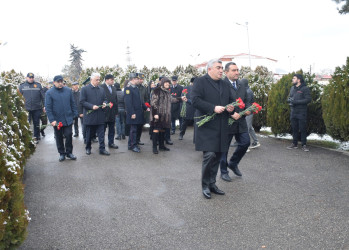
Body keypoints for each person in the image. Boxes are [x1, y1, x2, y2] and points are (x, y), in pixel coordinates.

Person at [191, 59, 235, 199]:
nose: (221, 70)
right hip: (207, 126)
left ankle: (212, 184)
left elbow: (229, 100)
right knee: (209, 155)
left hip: (221, 125)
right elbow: (195, 100)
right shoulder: (200, 81)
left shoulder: (224, 84)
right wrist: (212, 108)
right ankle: (205, 185)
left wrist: (230, 107)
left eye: (222, 68)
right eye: (218, 68)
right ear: (209, 69)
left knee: (217, 155)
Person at [220, 62, 251, 182]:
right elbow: (221, 102)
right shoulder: (222, 84)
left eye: (237, 70)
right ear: (226, 72)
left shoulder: (241, 84)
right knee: (224, 148)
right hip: (227, 121)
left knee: (245, 142)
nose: (237, 72)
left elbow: (247, 100)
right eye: (234, 70)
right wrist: (232, 114)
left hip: (240, 121)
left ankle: (233, 163)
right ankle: (223, 171)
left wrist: (248, 109)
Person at [45, 75, 78, 162]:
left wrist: (75, 114)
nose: (60, 83)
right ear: (54, 83)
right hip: (57, 120)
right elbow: (48, 108)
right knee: (59, 137)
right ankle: (62, 153)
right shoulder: (49, 93)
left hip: (68, 118)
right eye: (58, 82)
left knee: (69, 135)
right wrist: (52, 120)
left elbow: (72, 103)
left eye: (61, 81)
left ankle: (69, 152)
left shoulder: (68, 90)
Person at [80, 72, 110, 156]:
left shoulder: (101, 89)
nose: (98, 81)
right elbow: (82, 101)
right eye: (96, 80)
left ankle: (102, 149)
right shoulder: (85, 89)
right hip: (90, 116)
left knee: (101, 134)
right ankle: (88, 148)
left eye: (99, 80)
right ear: (91, 80)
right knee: (89, 134)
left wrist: (105, 103)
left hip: (100, 115)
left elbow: (105, 99)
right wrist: (91, 106)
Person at [150, 77, 181, 154]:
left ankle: (161, 146)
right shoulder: (157, 90)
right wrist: (155, 114)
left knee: (163, 130)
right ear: (162, 83)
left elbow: (172, 100)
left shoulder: (167, 92)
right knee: (156, 130)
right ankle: (154, 147)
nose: (168, 84)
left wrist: (181, 99)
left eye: (168, 83)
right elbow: (153, 103)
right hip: (157, 115)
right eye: (166, 82)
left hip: (165, 115)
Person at [124, 73, 149, 153]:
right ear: (133, 79)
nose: (139, 80)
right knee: (133, 130)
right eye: (137, 79)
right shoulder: (128, 89)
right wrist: (132, 113)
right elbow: (128, 103)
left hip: (138, 112)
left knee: (136, 129)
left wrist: (145, 107)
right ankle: (132, 145)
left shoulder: (136, 88)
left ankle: (131, 144)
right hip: (133, 113)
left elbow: (140, 100)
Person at [287, 74, 311, 151]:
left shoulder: (305, 88)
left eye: (294, 78)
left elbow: (308, 100)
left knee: (302, 129)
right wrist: (289, 100)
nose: (292, 80)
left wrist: (296, 102)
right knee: (294, 128)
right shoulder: (292, 88)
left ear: (299, 80)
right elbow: (290, 97)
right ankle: (294, 143)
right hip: (293, 111)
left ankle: (304, 144)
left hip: (301, 112)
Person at [18, 73, 45, 143]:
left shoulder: (38, 85)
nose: (31, 79)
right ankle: (27, 138)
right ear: (26, 78)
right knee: (27, 123)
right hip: (26, 108)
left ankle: (37, 136)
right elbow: (18, 97)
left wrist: (44, 106)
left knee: (36, 123)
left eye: (32, 77)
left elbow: (43, 97)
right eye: (30, 77)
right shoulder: (22, 86)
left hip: (37, 108)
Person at [100, 74, 119, 149]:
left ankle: (111, 143)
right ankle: (102, 144)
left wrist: (116, 111)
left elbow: (116, 100)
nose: (113, 81)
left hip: (112, 112)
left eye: (113, 80)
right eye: (111, 80)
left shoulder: (114, 88)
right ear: (107, 80)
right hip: (104, 112)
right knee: (102, 130)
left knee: (112, 129)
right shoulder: (101, 87)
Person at [245, 83, 260, 150]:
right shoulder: (248, 90)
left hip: (248, 111)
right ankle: (256, 141)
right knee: (250, 128)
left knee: (246, 128)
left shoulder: (247, 91)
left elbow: (246, 102)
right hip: (250, 111)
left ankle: (246, 146)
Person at [136, 73, 150, 145]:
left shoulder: (144, 88)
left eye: (142, 79)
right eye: (140, 79)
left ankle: (138, 140)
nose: (141, 81)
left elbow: (146, 98)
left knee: (140, 126)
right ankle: (133, 141)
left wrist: (146, 104)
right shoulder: (133, 87)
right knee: (134, 127)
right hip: (135, 110)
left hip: (142, 110)